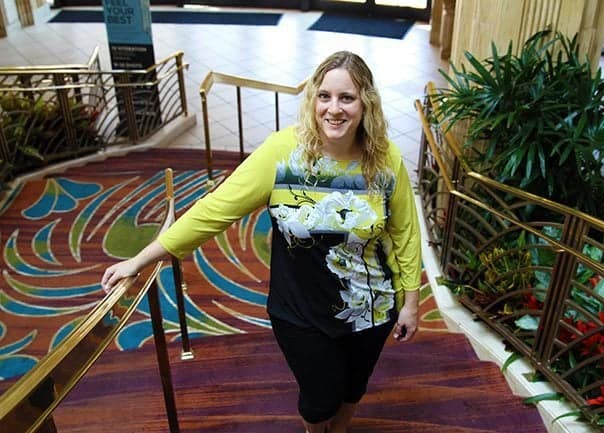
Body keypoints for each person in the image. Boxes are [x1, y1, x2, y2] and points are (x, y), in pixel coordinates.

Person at [101, 50, 422, 433]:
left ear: (365, 103)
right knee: (319, 398)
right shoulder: (282, 153)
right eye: (325, 96)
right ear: (313, 100)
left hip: (370, 306)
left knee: (354, 386)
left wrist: (410, 303)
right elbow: (214, 211)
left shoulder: (386, 161)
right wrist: (142, 258)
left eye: (347, 98)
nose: (334, 109)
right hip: (299, 310)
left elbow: (405, 233)